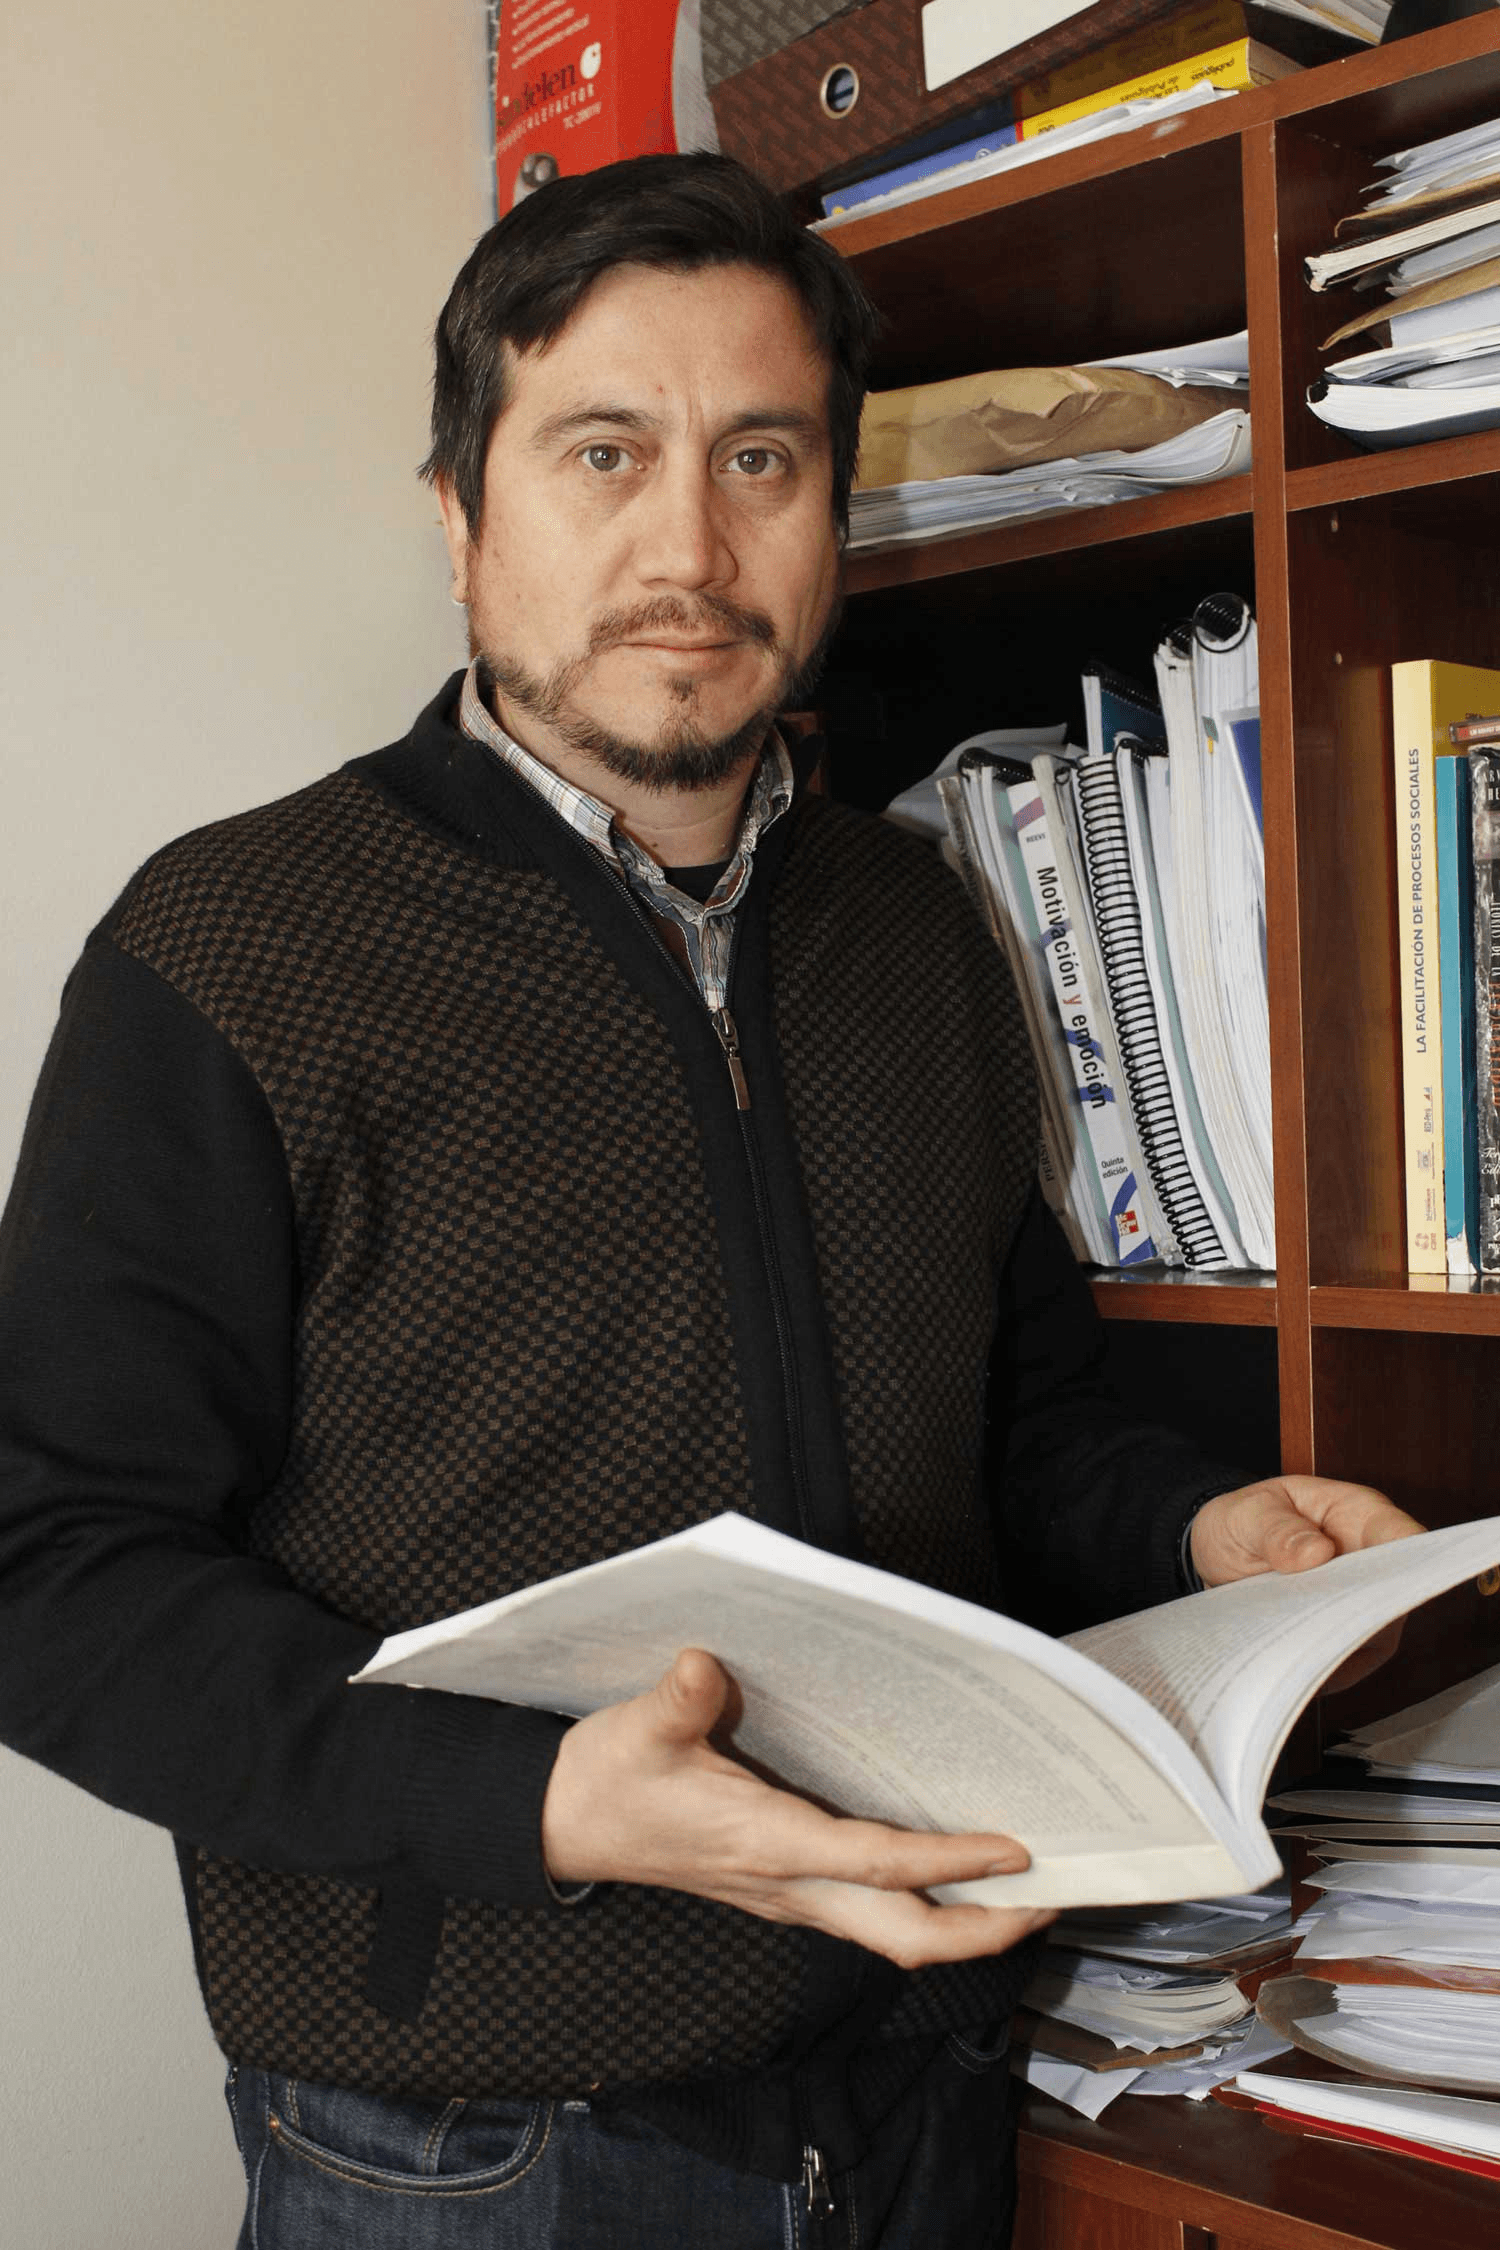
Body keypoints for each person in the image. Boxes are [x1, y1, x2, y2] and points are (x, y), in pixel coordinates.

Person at [0, 152, 1418, 2249]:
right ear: (460, 513)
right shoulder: (231, 949)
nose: (689, 545)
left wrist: (1204, 1528)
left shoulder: (920, 926)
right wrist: (539, 1801)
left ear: (835, 513)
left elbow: (1014, 1430)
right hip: (480, 2151)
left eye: (761, 458)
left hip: (927, 2083)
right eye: (604, 453)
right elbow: (51, 1571)